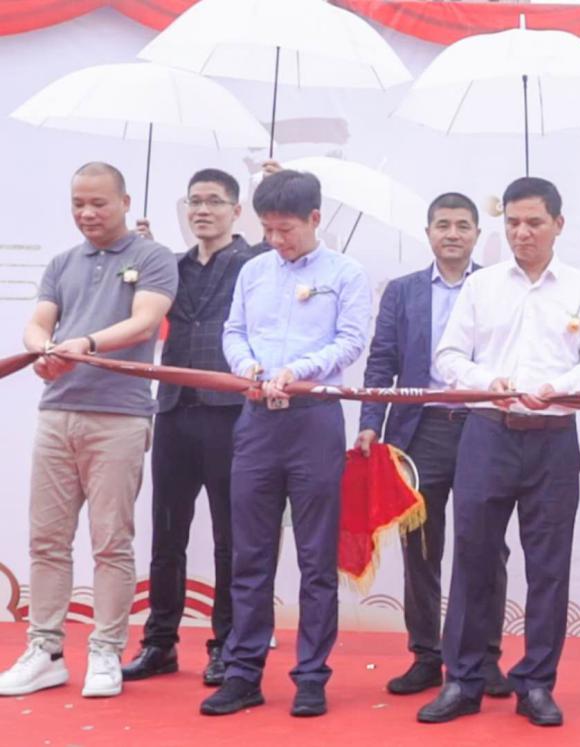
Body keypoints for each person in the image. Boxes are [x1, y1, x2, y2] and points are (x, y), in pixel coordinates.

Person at [418, 177, 580, 728]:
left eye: (534, 223)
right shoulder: (482, 287)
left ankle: (537, 683)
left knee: (549, 566)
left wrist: (557, 387)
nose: (522, 233)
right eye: (513, 223)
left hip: (553, 437)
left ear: (558, 225)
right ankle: (463, 679)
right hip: (487, 432)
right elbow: (448, 356)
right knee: (473, 557)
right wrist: (489, 381)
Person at [0, 162, 177, 698]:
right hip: (58, 412)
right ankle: (46, 651)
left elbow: (145, 320)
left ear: (124, 202)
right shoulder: (62, 262)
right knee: (47, 539)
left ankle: (105, 650)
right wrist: (43, 348)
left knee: (111, 542)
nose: (87, 213)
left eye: (98, 203)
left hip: (119, 416)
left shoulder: (152, 258)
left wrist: (87, 344)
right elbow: (39, 322)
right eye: (78, 203)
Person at [199, 169, 372, 718]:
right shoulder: (253, 271)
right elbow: (233, 331)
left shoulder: (346, 273)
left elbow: (350, 341)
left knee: (315, 558)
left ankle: (311, 676)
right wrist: (248, 367)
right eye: (268, 229)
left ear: (315, 218)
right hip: (256, 422)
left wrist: (298, 371)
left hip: (313, 420)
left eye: (287, 229)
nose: (276, 240)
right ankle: (243, 671)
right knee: (250, 554)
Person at [354, 192, 511, 698]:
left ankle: (484, 656)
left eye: (463, 225)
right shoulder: (402, 292)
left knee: (485, 544)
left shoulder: (498, 288)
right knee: (421, 547)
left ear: (477, 234)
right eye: (443, 225)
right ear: (428, 233)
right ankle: (426, 655)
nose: (453, 234)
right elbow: (381, 362)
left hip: (483, 426)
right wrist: (371, 422)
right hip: (418, 431)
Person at [121, 169, 266, 688]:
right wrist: (140, 252)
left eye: (214, 202)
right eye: (195, 202)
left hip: (230, 413)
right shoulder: (170, 266)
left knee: (231, 538)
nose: (203, 210)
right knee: (167, 533)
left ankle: (226, 645)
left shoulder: (256, 263)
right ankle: (159, 642)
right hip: (174, 409)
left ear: (237, 210)